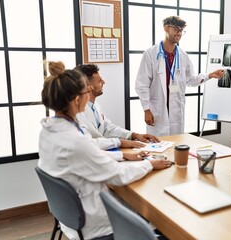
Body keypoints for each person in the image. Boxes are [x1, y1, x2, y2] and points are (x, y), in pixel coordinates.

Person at [39, 61, 172, 239]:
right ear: (77, 99)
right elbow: (118, 174)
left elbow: (90, 149)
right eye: (86, 91)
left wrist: (122, 153)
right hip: (92, 223)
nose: (89, 95)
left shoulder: (48, 131)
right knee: (155, 212)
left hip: (70, 214)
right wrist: (150, 163)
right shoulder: (75, 141)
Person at [135, 15, 225, 136]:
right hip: (156, 110)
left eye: (181, 30)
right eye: (177, 29)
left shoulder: (183, 56)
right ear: (166, 28)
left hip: (176, 111)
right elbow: (142, 84)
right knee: (157, 148)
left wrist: (210, 75)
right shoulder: (150, 54)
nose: (179, 33)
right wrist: (146, 109)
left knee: (176, 145)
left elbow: (190, 80)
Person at [75, 64, 160, 153]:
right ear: (88, 86)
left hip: (102, 153)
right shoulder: (76, 113)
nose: (104, 82)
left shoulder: (96, 105)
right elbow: (87, 143)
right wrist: (120, 142)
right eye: (100, 81)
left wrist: (134, 135)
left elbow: (108, 128)